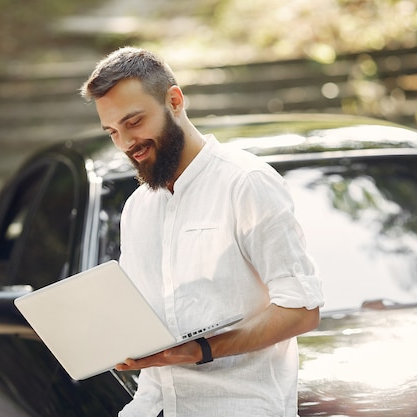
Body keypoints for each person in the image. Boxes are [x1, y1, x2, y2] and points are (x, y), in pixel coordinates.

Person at [80, 47, 324, 417]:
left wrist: (203, 349)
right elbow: (139, 319)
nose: (126, 143)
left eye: (134, 122)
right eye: (113, 131)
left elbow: (302, 311)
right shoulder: (138, 208)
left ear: (174, 101)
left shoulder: (246, 183)